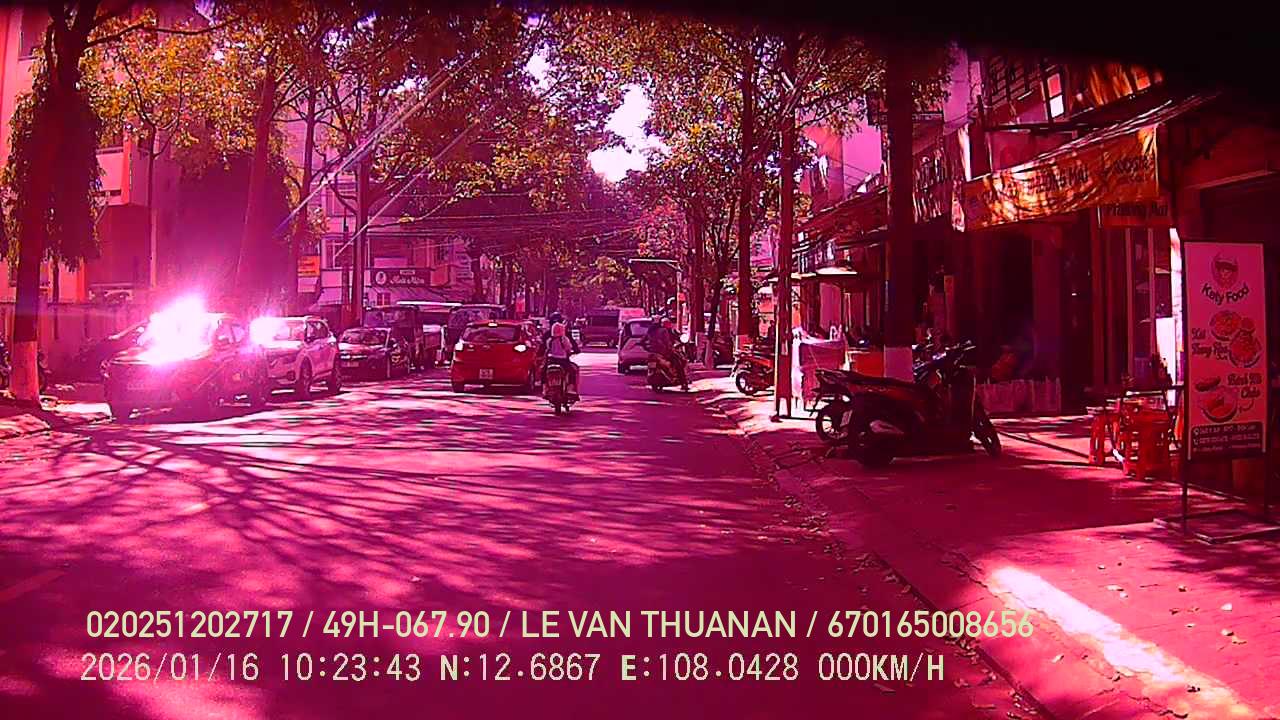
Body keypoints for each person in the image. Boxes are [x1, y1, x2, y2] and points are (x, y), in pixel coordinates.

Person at [643, 316, 688, 390]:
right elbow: (667, 343)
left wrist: (648, 349)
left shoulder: (650, 331)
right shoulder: (664, 331)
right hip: (664, 353)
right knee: (678, 363)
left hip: (653, 353)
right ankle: (684, 383)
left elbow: (643, 341)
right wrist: (671, 349)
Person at [542, 319, 580, 398]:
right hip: (563, 360)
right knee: (572, 371)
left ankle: (545, 388)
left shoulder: (550, 340)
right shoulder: (564, 339)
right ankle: (570, 388)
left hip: (551, 360)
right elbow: (568, 348)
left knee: (544, 371)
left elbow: (547, 348)